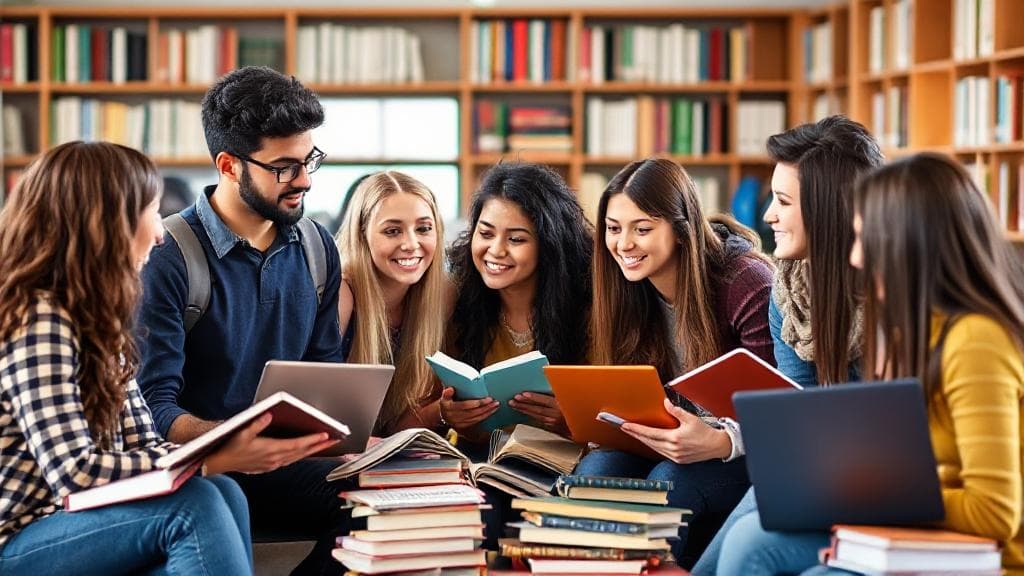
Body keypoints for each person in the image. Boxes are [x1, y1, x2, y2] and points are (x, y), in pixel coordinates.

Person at [723, 153, 1024, 575]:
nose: (855, 258)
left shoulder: (976, 341)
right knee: (750, 540)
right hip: (907, 527)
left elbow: (995, 512)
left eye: (866, 240)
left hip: (975, 553)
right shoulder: (908, 329)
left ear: (908, 245)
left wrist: (869, 494)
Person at [0, 141, 262, 575]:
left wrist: (224, 445)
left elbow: (144, 444)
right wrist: (209, 459)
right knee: (195, 503)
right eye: (152, 212)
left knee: (224, 490)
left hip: (80, 521)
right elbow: (75, 472)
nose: (160, 233)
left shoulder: (98, 317)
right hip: (19, 538)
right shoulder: (39, 317)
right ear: (104, 223)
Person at [136, 66, 348, 575]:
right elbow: (152, 409)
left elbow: (326, 376)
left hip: (290, 466)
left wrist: (347, 439)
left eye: (309, 160)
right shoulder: (168, 257)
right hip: (205, 471)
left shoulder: (317, 247)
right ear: (229, 165)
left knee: (396, 497)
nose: (305, 180)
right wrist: (237, 441)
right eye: (284, 168)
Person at [692, 115, 884, 575]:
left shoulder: (893, 301)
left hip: (880, 482)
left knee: (748, 545)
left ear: (828, 209)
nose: (767, 216)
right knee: (723, 555)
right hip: (818, 471)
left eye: (782, 201)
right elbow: (797, 409)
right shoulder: (790, 294)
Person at [576, 157, 774, 568]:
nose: (623, 244)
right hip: (671, 444)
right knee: (595, 472)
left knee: (666, 485)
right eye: (613, 228)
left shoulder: (744, 281)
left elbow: (778, 410)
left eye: (642, 229)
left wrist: (720, 441)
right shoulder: (626, 288)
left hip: (743, 452)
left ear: (682, 230)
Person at [441, 162, 593, 444]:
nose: (496, 250)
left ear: (548, 244)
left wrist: (571, 420)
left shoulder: (588, 308)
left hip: (562, 460)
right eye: (486, 234)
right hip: (479, 457)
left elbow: (609, 425)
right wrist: (451, 414)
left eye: (516, 239)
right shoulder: (458, 298)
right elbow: (456, 419)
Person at [335, 171, 447, 435]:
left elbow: (398, 431)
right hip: (335, 450)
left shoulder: (443, 295)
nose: (411, 244)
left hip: (395, 451)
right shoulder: (342, 293)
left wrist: (439, 411)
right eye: (392, 231)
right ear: (362, 235)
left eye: (423, 229)